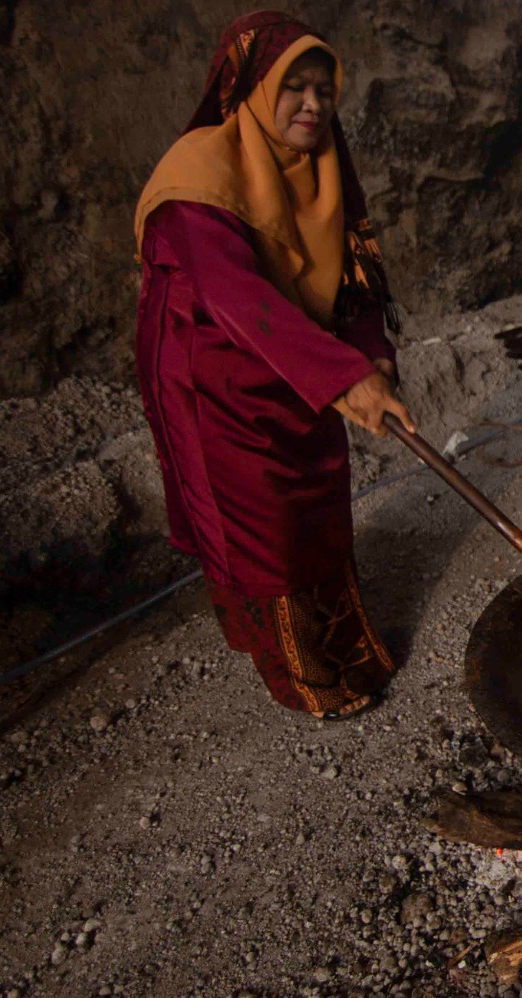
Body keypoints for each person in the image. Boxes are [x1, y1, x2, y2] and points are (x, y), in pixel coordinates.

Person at [134, 11, 415, 720]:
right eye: (294, 88)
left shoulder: (324, 163)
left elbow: (353, 272)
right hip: (215, 371)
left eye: (324, 89)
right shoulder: (197, 174)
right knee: (261, 514)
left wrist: (372, 355)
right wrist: (346, 378)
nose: (314, 106)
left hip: (300, 360)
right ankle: (299, 672)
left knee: (317, 496)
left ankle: (346, 645)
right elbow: (235, 296)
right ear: (254, 90)